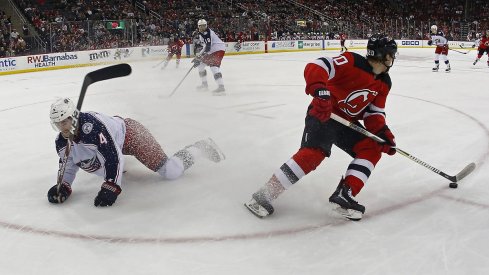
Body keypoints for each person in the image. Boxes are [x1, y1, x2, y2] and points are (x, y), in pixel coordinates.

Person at [245, 34, 398, 221]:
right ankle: (264, 195)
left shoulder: (384, 82)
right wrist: (320, 90)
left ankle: (345, 194)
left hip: (346, 122)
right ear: (385, 56)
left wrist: (382, 134)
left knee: (372, 148)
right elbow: (318, 65)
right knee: (314, 153)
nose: (392, 58)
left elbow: (374, 113)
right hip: (323, 113)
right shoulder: (352, 61)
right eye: (391, 54)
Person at [47, 98, 225, 206]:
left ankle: (200, 147)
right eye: (58, 124)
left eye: (65, 121)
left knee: (171, 172)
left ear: (74, 117)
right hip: (113, 140)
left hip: (130, 134)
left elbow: (113, 157)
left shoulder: (92, 127)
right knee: (90, 161)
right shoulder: (62, 142)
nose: (62, 127)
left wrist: (111, 185)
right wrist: (64, 185)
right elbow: (69, 165)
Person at [192, 19, 226, 95]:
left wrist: (199, 57)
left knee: (214, 67)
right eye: (201, 26)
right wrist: (198, 57)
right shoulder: (201, 34)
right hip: (211, 51)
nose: (202, 27)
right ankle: (204, 85)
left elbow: (207, 48)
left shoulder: (207, 33)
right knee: (200, 65)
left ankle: (221, 87)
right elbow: (205, 47)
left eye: (204, 25)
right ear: (198, 26)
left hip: (218, 49)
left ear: (206, 25)